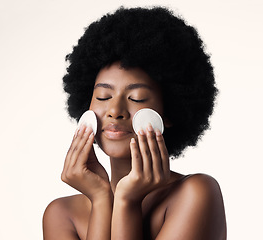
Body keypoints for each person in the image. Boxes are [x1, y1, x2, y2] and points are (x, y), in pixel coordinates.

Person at [43, 6, 227, 240]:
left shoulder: (196, 194)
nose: (115, 111)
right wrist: (101, 199)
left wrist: (127, 202)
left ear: (168, 112)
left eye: (136, 98)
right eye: (103, 97)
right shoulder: (61, 214)